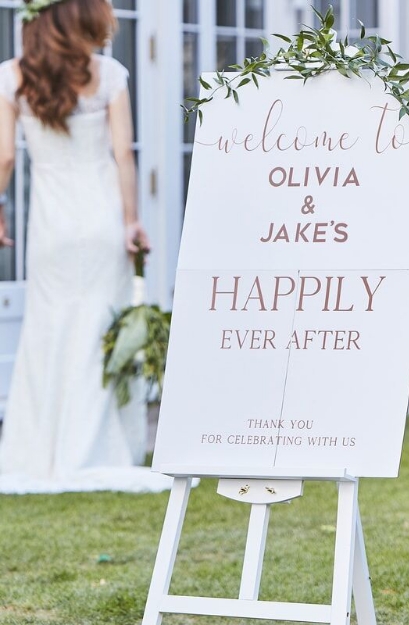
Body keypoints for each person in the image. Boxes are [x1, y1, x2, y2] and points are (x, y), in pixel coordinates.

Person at [0, 0, 171, 493]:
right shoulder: (111, 76)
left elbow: (5, 157)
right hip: (101, 219)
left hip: (51, 227)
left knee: (49, 330)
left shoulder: (12, 78)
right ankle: (99, 449)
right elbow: (123, 155)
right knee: (99, 331)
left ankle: (43, 452)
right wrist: (132, 220)